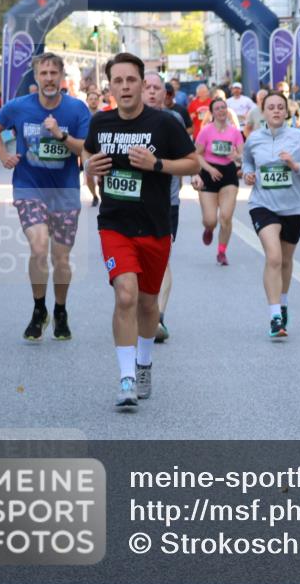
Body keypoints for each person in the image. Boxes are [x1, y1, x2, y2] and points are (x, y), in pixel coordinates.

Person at [82, 53, 199, 407]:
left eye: (131, 80)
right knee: (126, 295)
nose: (125, 86)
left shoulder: (164, 124)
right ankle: (126, 378)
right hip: (115, 224)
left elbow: (193, 162)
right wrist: (90, 168)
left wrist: (157, 164)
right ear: (111, 86)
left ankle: (144, 363)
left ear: (141, 82)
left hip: (154, 225)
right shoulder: (101, 123)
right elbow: (87, 158)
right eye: (118, 81)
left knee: (149, 305)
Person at [0, 53, 90, 341]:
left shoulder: (77, 109)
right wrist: (4, 155)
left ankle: (60, 310)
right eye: (43, 73)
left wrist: (60, 135)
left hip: (65, 192)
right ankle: (38, 308)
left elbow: (85, 149)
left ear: (61, 77)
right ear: (36, 77)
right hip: (29, 188)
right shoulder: (19, 107)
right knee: (39, 247)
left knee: (62, 258)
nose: (48, 78)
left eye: (53, 73)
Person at [242, 91, 300, 337]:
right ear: (264, 112)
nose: (276, 111)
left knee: (286, 261)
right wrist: (248, 174)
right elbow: (246, 161)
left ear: (286, 111)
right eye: (271, 107)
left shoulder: (299, 138)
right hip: (262, 204)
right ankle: (275, 316)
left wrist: (296, 166)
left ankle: (284, 302)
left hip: (294, 208)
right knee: (274, 257)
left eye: (280, 107)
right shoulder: (254, 139)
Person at [143, 71, 195, 344]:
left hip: (166, 201)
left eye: (157, 88)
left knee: (161, 259)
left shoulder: (173, 121)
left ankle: (158, 317)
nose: (152, 92)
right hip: (131, 203)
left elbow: (190, 158)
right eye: (147, 87)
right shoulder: (123, 120)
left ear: (166, 94)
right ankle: (144, 310)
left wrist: (195, 173)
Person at [193, 97, 244, 265]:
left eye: (224, 108)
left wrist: (236, 156)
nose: (222, 111)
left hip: (228, 174)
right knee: (211, 220)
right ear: (212, 113)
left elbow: (243, 155)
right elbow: (196, 154)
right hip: (209, 173)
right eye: (218, 108)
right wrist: (209, 169)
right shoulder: (206, 131)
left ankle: (222, 252)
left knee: (226, 217)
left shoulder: (235, 132)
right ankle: (208, 228)